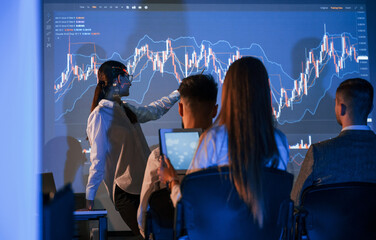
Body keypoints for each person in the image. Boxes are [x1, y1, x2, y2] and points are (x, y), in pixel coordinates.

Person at [159, 56, 289, 226]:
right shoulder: (279, 141)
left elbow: (189, 207)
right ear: (265, 92)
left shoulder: (212, 140)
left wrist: (172, 181)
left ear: (228, 93)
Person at [86, 60, 180, 236]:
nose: (129, 81)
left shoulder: (125, 108)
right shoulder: (100, 115)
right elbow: (97, 159)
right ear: (116, 80)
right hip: (125, 191)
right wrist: (89, 196)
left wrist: (178, 94)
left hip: (143, 186)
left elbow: (154, 111)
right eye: (126, 77)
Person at [137, 74, 218, 237]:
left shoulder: (159, 157)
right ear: (215, 110)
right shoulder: (228, 154)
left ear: (180, 109)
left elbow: (143, 220)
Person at [291, 78, 376, 204]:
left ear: (341, 108)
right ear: (370, 109)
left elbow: (295, 202)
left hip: (329, 224)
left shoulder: (318, 153)